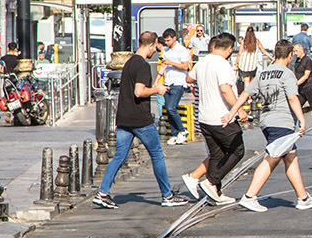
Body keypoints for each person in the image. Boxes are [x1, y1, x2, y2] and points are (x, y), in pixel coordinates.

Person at [90, 32, 190, 209]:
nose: (155, 52)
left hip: (124, 118)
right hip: (140, 119)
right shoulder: (142, 65)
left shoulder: (129, 63)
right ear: (151, 45)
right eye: (155, 48)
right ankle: (167, 196)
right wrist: (157, 89)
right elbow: (139, 91)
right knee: (157, 154)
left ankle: (103, 193)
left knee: (120, 155)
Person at [221, 39, 312, 213]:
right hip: (282, 122)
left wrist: (232, 112)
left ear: (275, 54)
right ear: (289, 56)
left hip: (266, 121)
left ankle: (303, 197)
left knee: (290, 156)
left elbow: (245, 93)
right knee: (271, 158)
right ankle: (250, 196)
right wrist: (302, 120)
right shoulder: (287, 74)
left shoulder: (264, 73)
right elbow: (292, 98)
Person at [180, 32, 245, 205]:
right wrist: (238, 109)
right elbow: (225, 89)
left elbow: (189, 78)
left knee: (217, 155)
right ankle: (210, 182)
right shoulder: (222, 64)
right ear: (229, 49)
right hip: (221, 117)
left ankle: (214, 193)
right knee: (237, 150)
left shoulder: (202, 62)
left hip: (204, 118)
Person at [160, 28, 192, 145]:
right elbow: (163, 66)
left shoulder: (182, 50)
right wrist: (159, 80)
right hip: (168, 82)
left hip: (178, 82)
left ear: (174, 38)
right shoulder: (166, 51)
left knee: (171, 107)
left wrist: (171, 63)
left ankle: (182, 130)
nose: (167, 43)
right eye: (165, 41)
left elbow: (185, 66)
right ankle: (174, 134)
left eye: (168, 40)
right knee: (168, 109)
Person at [235, 27, 270, 92]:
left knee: (246, 81)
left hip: (244, 65)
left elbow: (239, 54)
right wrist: (271, 57)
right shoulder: (257, 42)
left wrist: (236, 62)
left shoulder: (243, 42)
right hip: (252, 65)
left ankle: (247, 96)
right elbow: (264, 51)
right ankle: (251, 94)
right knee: (251, 80)